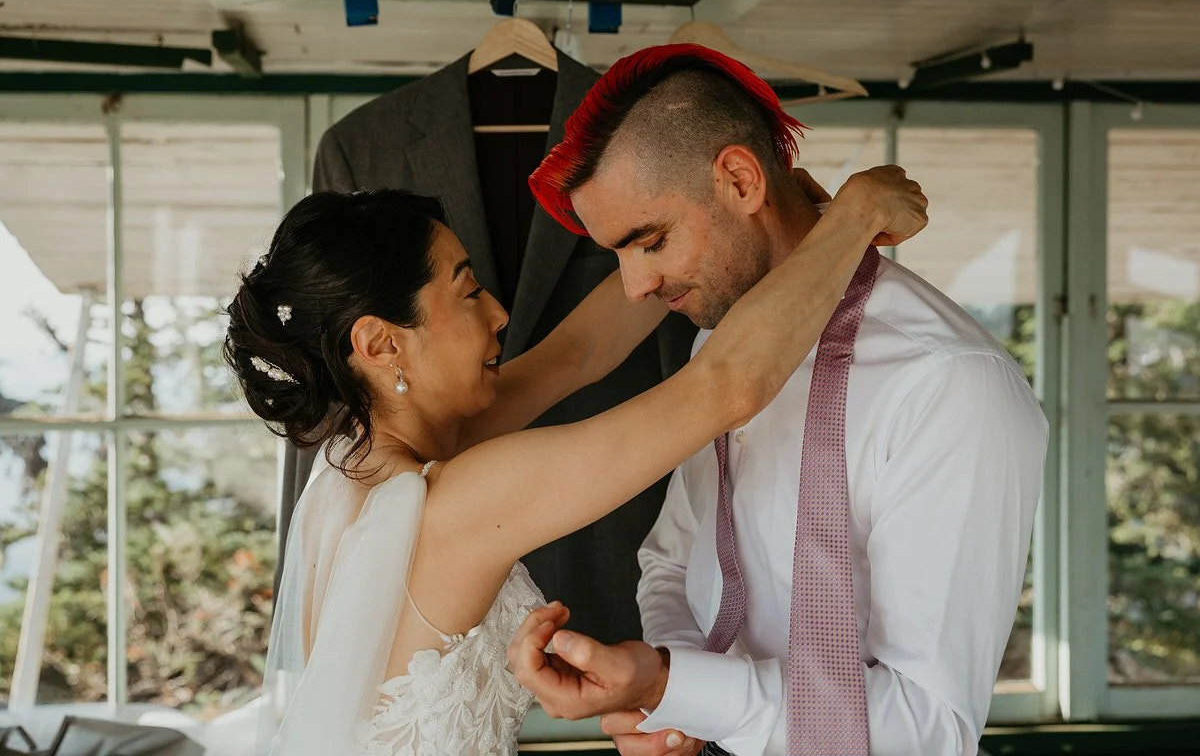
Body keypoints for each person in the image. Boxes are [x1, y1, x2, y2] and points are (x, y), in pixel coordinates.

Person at [226, 165, 927, 751]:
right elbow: (726, 388)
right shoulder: (461, 500)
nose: (498, 312)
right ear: (382, 346)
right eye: (467, 290)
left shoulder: (363, 457)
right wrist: (854, 216)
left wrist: (710, 227)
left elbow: (578, 352)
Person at [509, 44, 1048, 756]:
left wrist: (677, 688)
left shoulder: (948, 383)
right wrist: (680, 698)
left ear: (739, 178)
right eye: (618, 254)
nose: (635, 287)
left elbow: (928, 729)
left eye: (650, 242)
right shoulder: (720, 345)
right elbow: (672, 561)